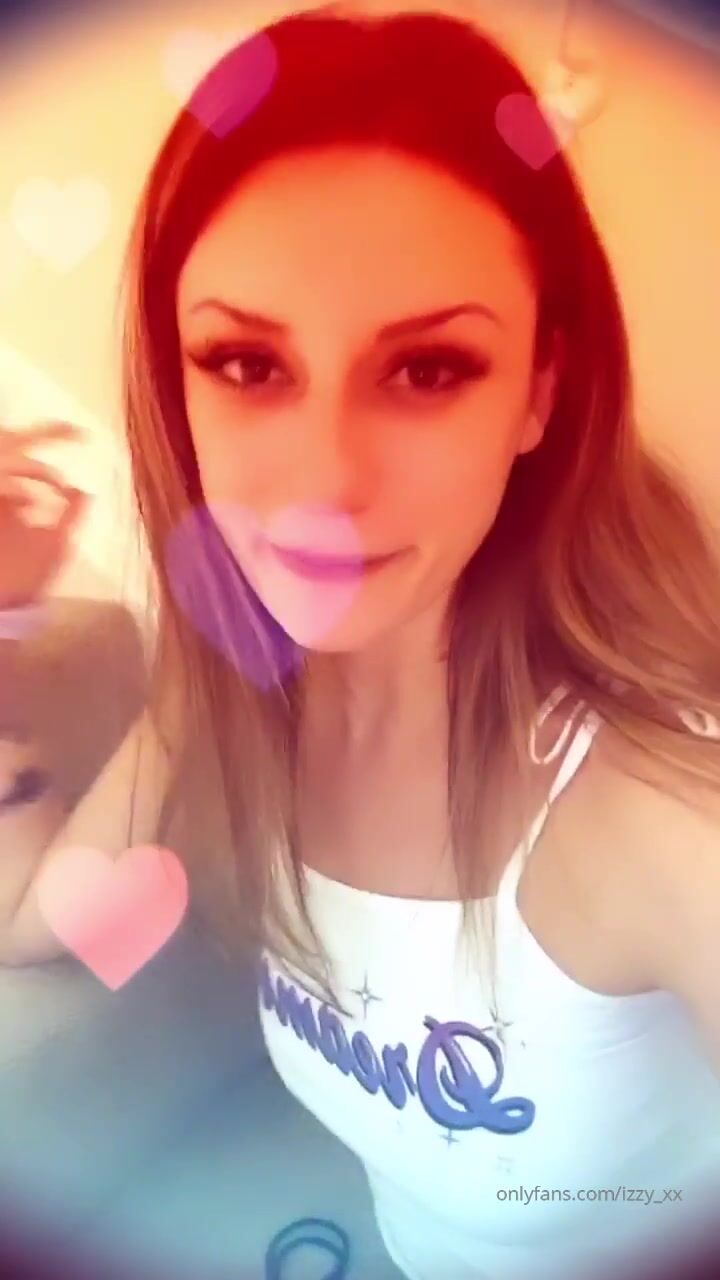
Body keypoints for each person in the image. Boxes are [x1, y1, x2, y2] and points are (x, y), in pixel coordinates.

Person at [1, 5, 720, 1279]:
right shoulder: (231, 678)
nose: (324, 484)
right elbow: (39, 918)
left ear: (540, 392)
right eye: (245, 363)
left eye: (429, 369)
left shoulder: (660, 806)